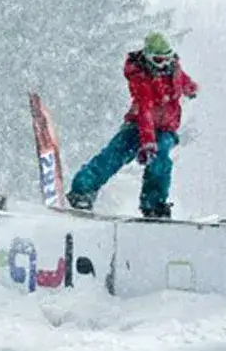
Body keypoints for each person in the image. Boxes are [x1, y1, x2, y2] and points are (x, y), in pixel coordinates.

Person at [66, 32, 198, 218]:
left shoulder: (172, 69)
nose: (164, 65)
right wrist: (147, 142)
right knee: (115, 154)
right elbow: (145, 108)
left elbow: (181, 79)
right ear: (149, 58)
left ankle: (154, 204)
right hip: (139, 125)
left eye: (168, 59)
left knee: (161, 160)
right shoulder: (141, 76)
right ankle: (82, 190)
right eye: (159, 60)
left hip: (165, 129)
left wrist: (191, 88)